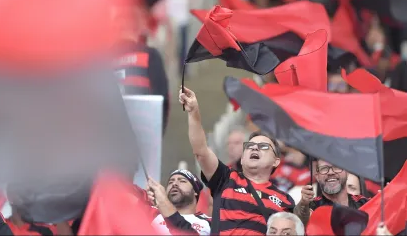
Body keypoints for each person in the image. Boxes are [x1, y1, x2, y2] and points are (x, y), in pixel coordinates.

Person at [179, 86, 295, 236]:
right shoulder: (226, 178)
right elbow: (201, 151)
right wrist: (193, 112)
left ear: (276, 161)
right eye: (250, 146)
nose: (255, 148)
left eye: (263, 146)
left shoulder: (285, 200)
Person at [111, 2, 169, 134]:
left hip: (109, 140)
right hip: (142, 135)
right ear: (137, 28)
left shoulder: (102, 61)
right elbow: (162, 101)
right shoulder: (150, 56)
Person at [294, 159, 369, 225]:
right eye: (324, 168)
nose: (330, 172)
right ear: (317, 176)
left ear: (347, 172)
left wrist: (380, 202)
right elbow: (298, 221)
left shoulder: (364, 203)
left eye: (336, 167)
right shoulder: (312, 206)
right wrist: (303, 204)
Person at [147, 170, 211, 235]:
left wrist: (164, 203)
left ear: (195, 191)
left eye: (182, 181)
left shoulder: (210, 223)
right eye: (170, 182)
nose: (174, 184)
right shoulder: (152, 213)